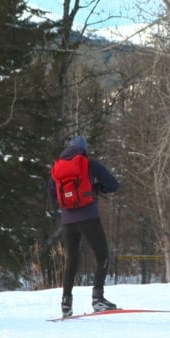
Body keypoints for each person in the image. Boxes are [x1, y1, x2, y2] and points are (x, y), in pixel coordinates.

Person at [47, 135, 119, 317]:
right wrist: (96, 188)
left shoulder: (57, 168)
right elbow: (113, 185)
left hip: (67, 222)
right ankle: (98, 298)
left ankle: (66, 303)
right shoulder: (89, 164)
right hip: (89, 217)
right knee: (102, 255)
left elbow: (52, 196)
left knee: (72, 260)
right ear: (84, 151)